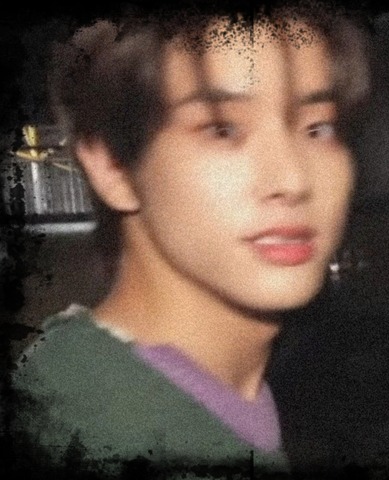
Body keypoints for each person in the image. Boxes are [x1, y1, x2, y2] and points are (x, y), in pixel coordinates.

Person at [11, 1, 370, 478]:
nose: (293, 179)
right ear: (113, 166)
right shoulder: (88, 427)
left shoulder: (200, 396)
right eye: (223, 129)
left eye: (318, 128)